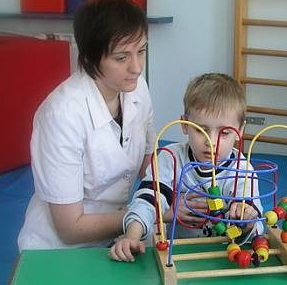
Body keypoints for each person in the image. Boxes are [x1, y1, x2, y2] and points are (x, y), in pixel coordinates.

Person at [17, 0, 154, 251]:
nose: (136, 67)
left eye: (142, 51)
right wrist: (145, 214)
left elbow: (150, 165)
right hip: (62, 249)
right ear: (90, 58)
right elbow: (70, 229)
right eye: (121, 58)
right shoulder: (61, 115)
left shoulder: (137, 89)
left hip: (120, 233)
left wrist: (177, 193)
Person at [109, 73, 263, 262]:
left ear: (240, 131)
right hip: (177, 255)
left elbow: (255, 226)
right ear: (184, 125)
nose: (211, 142)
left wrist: (247, 219)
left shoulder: (243, 171)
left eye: (224, 133)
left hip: (225, 257)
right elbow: (148, 199)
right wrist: (131, 236)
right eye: (201, 130)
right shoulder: (170, 158)